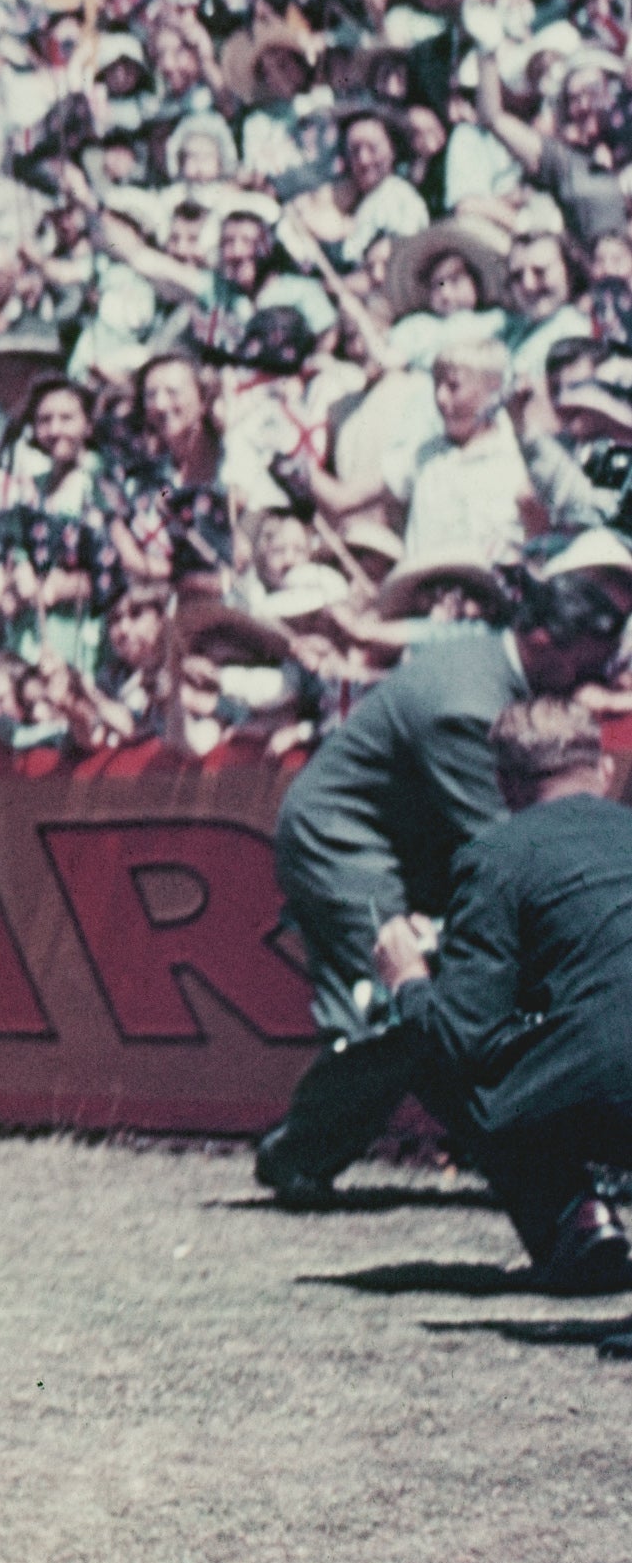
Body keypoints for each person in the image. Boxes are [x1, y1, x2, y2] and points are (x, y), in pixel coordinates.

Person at [258, 533, 632, 1200]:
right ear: (544, 641)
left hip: (401, 839)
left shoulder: (490, 671)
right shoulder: (468, 708)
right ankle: (300, 1154)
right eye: (589, 665)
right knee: (402, 1004)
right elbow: (521, 850)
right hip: (344, 843)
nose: (594, 682)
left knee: (423, 1004)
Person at [404, 695, 632, 1293]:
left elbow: (463, 1034)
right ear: (605, 769)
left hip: (611, 1099)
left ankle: (573, 1220)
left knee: (434, 1051)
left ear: (503, 785)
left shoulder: (495, 858)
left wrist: (406, 979)